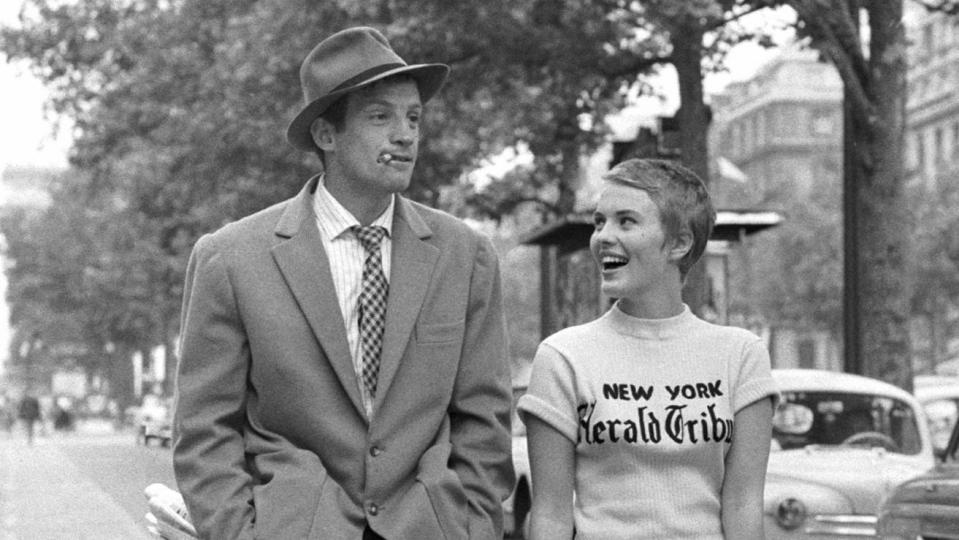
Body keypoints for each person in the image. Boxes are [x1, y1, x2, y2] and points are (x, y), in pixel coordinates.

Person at [173, 26, 514, 540]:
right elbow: (204, 432)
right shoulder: (230, 259)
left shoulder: (466, 256)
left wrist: (471, 526)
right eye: (381, 116)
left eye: (414, 117)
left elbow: (485, 419)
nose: (405, 134)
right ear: (326, 135)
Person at [518, 158, 778, 539]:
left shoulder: (740, 356)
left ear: (679, 243)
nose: (603, 236)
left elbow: (742, 505)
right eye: (599, 222)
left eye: (626, 221)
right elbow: (552, 515)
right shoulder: (563, 357)